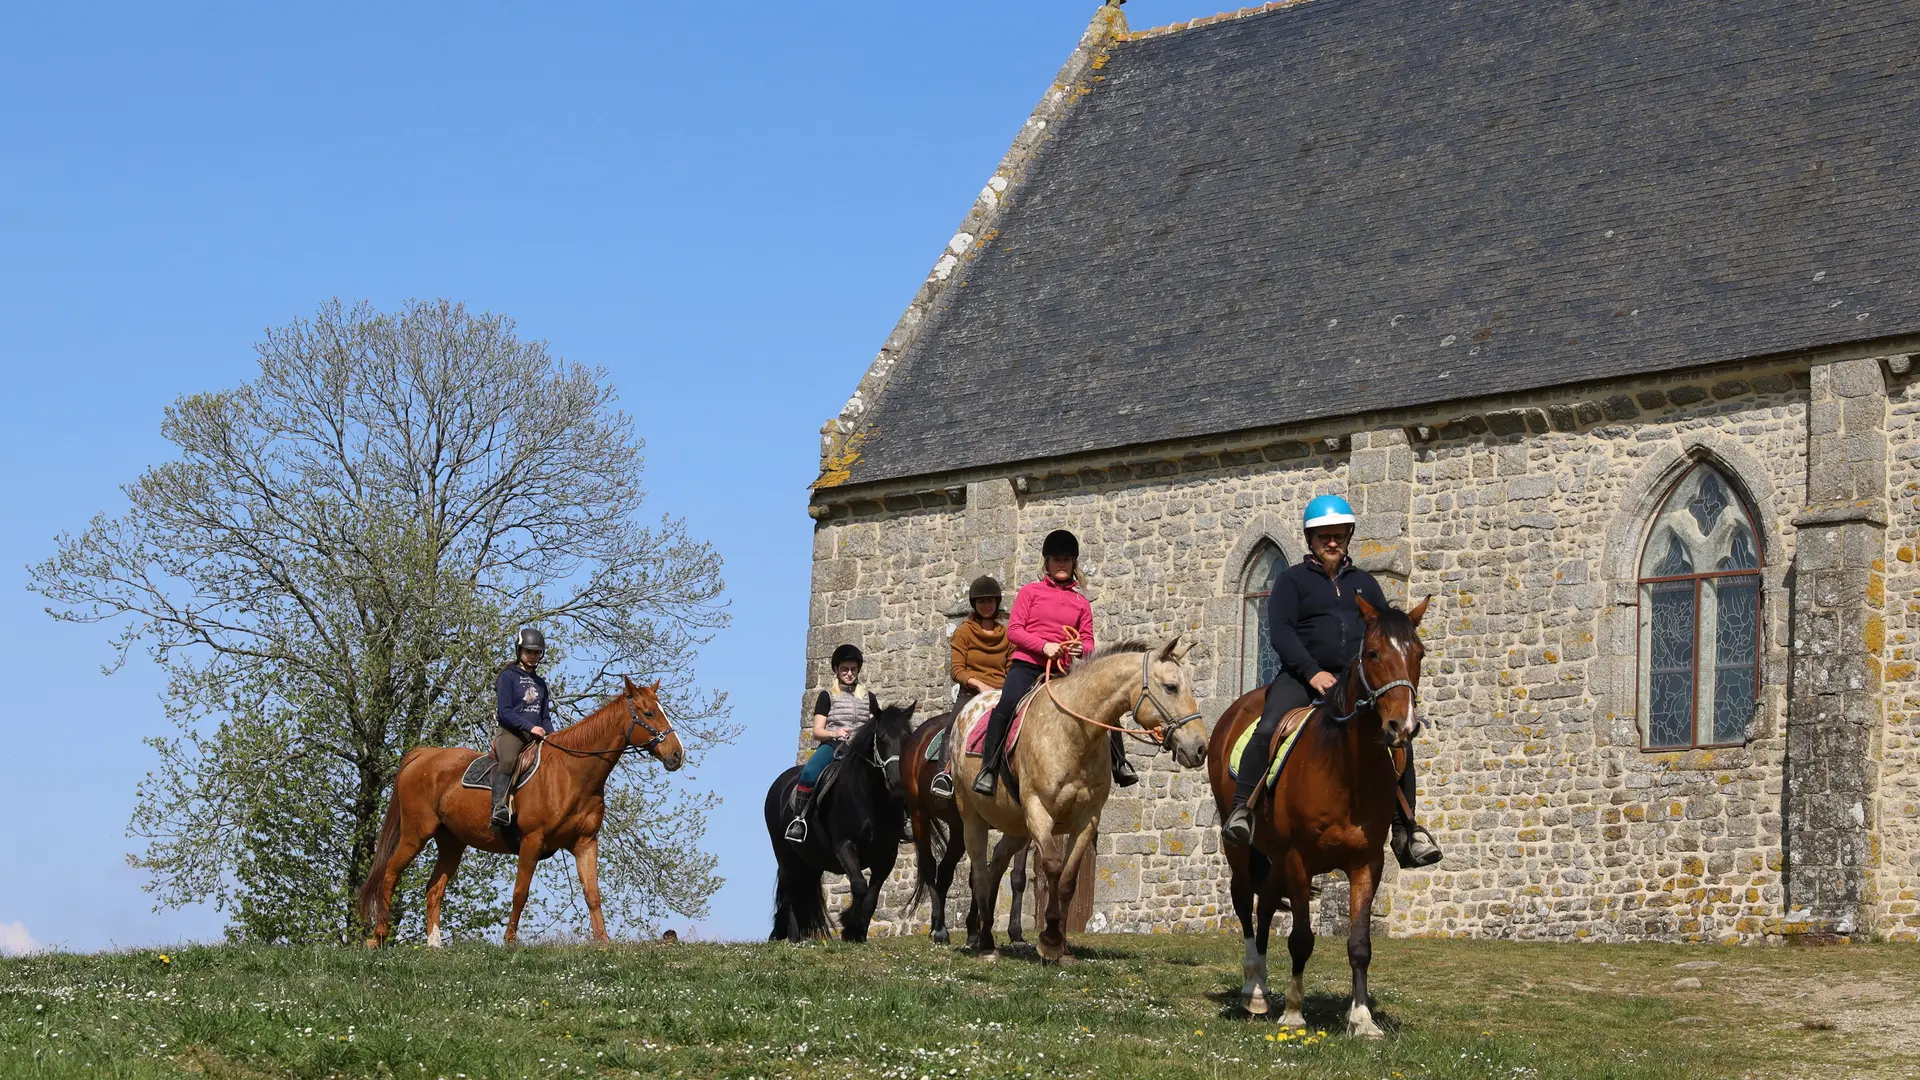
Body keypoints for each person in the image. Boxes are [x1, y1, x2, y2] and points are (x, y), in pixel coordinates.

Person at [1219, 495, 1442, 868]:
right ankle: (1243, 810)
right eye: (1324, 536)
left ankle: (1407, 831)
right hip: (1301, 677)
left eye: (1338, 535)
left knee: (1400, 738)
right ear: (1311, 540)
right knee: (1269, 726)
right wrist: (1311, 671)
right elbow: (1282, 633)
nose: (1332, 542)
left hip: (1353, 683)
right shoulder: (1291, 581)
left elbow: (1382, 635)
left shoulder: (1365, 584)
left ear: (1348, 537)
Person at [972, 529, 1138, 797]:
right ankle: (988, 769)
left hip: (1065, 670)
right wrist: (1043, 646)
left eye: (1066, 560)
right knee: (1006, 703)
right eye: (1056, 559)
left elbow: (1088, 643)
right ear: (1047, 563)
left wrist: (1078, 648)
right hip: (1028, 665)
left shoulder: (1081, 603)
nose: (1061, 564)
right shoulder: (1030, 592)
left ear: (1074, 564)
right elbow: (1014, 630)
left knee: (1105, 705)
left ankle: (1120, 763)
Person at [786, 643, 879, 843]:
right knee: (810, 771)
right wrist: (835, 732)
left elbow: (875, 724)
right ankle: (798, 820)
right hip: (835, 745)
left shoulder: (869, 697)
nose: (849, 673)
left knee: (892, 769)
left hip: (862, 749)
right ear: (837, 670)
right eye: (845, 669)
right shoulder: (827, 696)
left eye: (853, 669)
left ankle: (902, 819)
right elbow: (817, 731)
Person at [933, 575, 1010, 799]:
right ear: (974, 604)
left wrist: (1003, 689)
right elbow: (957, 670)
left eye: (990, 601)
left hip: (1001, 693)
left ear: (996, 602)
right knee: (952, 726)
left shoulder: (1007, 634)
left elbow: (1013, 667)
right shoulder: (964, 632)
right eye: (981, 601)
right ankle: (944, 775)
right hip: (971, 693)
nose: (986, 605)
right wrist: (980, 685)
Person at [492, 628, 552, 828]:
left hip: (535, 736)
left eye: (536, 653)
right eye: (528, 652)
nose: (533, 656)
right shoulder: (507, 677)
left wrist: (554, 737)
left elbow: (545, 717)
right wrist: (529, 727)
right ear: (519, 651)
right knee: (509, 760)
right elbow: (505, 712)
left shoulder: (541, 684)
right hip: (511, 733)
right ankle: (498, 806)